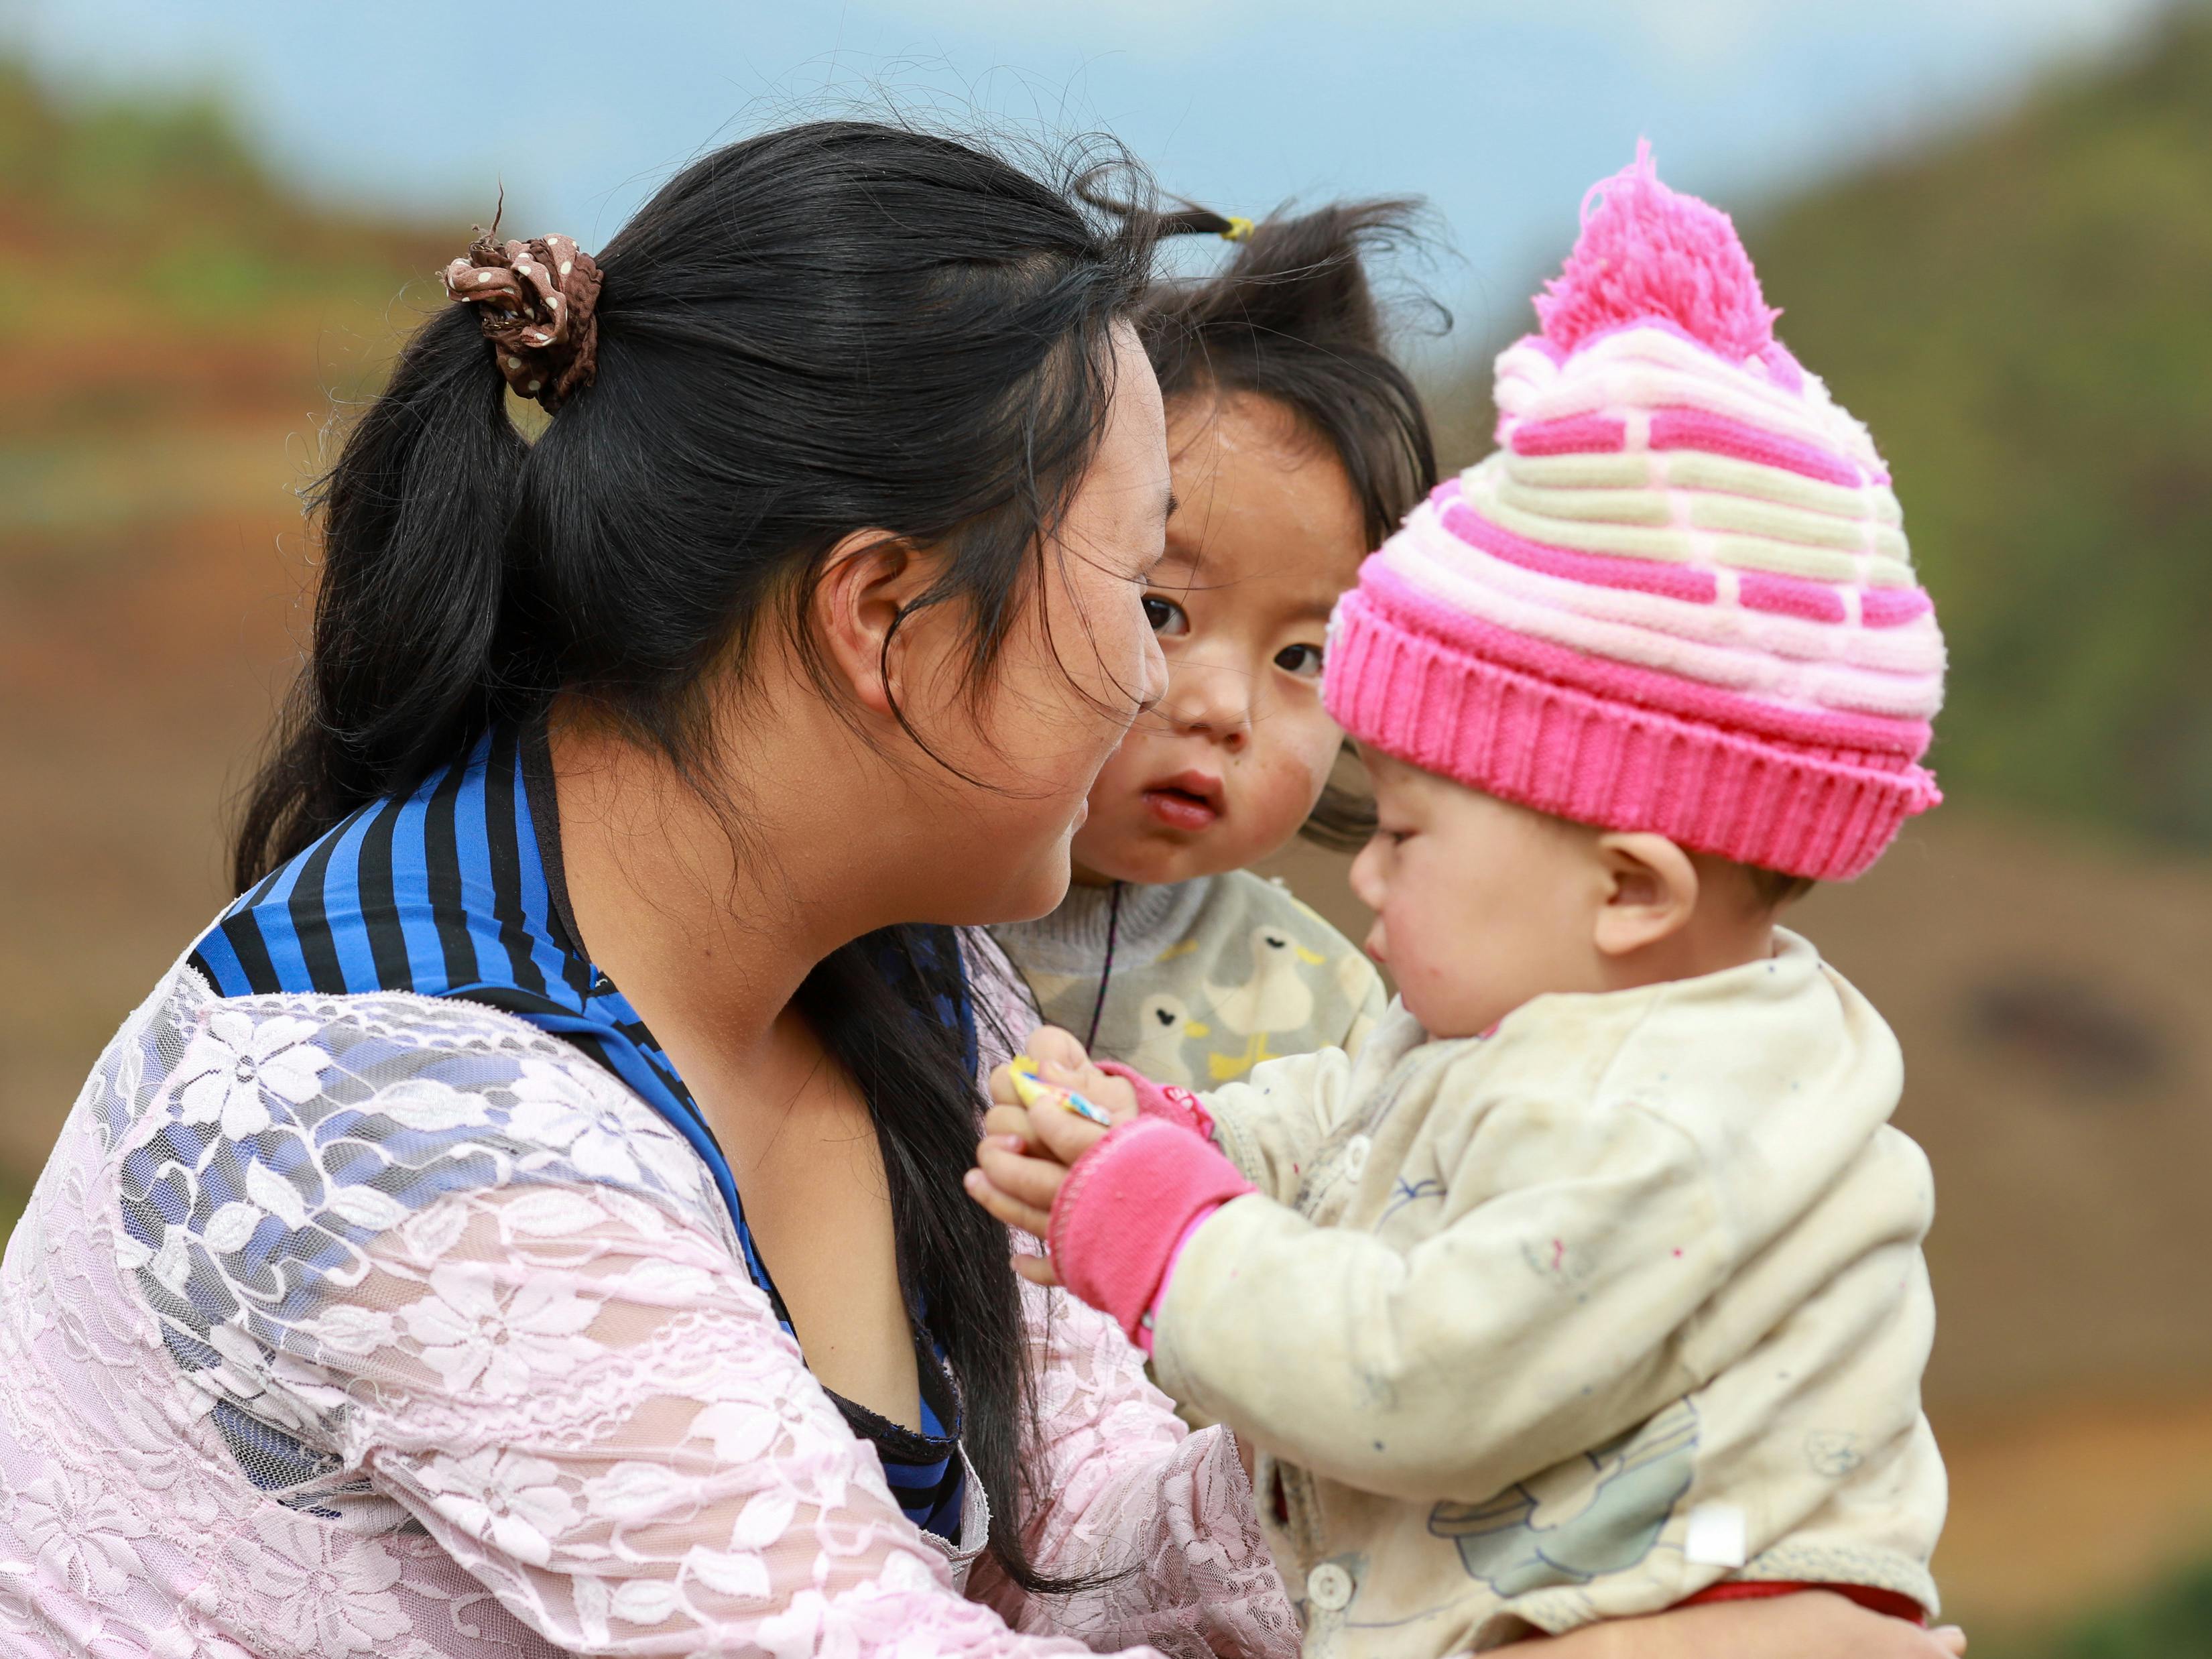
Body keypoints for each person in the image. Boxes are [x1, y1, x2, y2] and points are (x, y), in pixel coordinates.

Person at [0, 117, 1964, 1659]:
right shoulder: (396, 1133)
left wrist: (1588, 1502)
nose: (1158, 684)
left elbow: (1099, 1532)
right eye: (1140, 589)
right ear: (882, 615)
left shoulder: (913, 972)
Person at [971, 147, 1952, 1654]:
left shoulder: (1660, 1124)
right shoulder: (1551, 1013)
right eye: (1159, 607)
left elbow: (1411, 1376)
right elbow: (1358, 1121)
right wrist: (1188, 1133)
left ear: (1628, 888)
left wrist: (1168, 1230)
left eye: (1410, 834)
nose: (1365, 867)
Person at [993, 202, 1428, 1089]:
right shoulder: (876, 909)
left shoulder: (1326, 1009)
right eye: (1160, 611)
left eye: (1303, 657)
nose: (1225, 709)